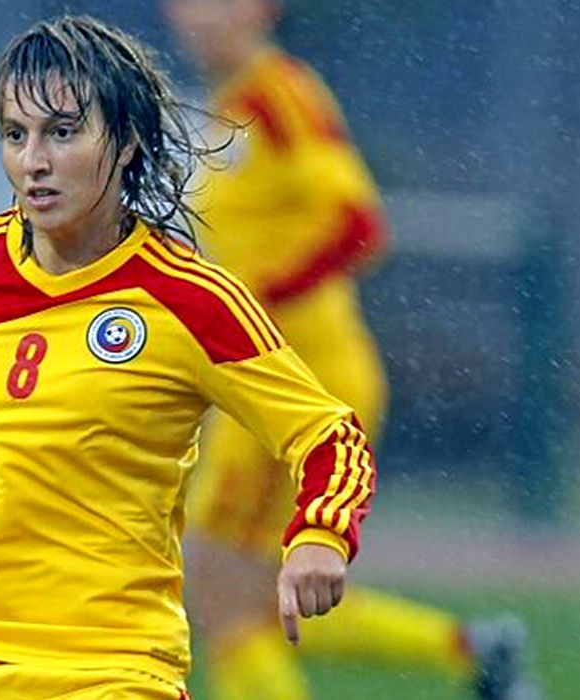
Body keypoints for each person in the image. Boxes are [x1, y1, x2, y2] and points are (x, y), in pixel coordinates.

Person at [0, 15, 376, 700]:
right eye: (16, 134)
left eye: (63, 132)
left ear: (126, 141)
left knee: (228, 596)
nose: (34, 160)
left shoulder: (190, 299)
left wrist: (320, 533)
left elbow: (328, 434)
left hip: (102, 660)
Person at [160, 1, 540, 699]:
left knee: (217, 586)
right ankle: (475, 652)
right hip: (264, 388)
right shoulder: (226, 105)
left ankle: (478, 655)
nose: (199, 17)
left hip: (298, 391)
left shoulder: (280, 96)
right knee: (254, 593)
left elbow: (358, 225)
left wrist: (251, 302)